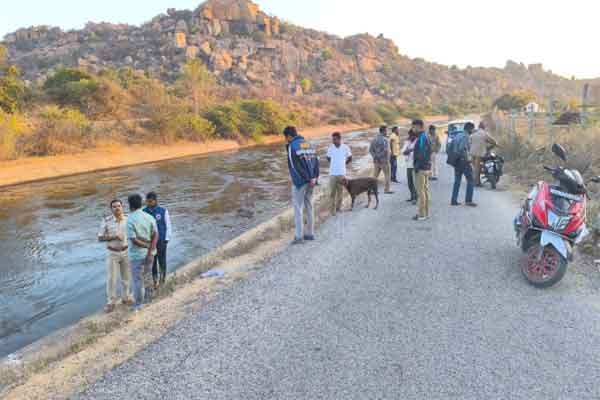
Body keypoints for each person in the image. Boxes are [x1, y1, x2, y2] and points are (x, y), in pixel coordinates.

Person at [284, 126, 320, 244]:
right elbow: (316, 161)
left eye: (286, 138)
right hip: (312, 181)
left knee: (298, 208)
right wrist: (314, 177)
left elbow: (294, 166)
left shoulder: (291, 146)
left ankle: (298, 237)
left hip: (300, 182)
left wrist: (306, 178)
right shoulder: (308, 143)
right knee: (309, 206)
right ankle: (310, 234)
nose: (286, 140)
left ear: (289, 136)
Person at [97, 199, 134, 313]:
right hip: (112, 252)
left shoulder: (128, 219)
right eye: (114, 206)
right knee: (112, 278)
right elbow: (100, 238)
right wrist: (113, 237)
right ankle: (111, 302)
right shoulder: (106, 221)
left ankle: (126, 297)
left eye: (119, 206)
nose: (117, 208)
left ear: (122, 207)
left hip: (126, 251)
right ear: (111, 209)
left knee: (127, 277)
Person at [127, 194, 158, 311]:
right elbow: (156, 235)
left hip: (136, 255)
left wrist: (147, 246)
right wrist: (151, 250)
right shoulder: (149, 217)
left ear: (130, 205)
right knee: (148, 276)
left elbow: (134, 240)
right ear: (142, 204)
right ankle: (150, 299)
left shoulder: (130, 219)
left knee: (137, 280)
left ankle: (138, 304)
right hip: (150, 254)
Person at [144, 192, 172, 287]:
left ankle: (162, 280)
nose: (148, 203)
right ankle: (155, 281)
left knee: (162, 261)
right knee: (152, 262)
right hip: (150, 242)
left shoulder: (163, 211)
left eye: (150, 201)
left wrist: (166, 239)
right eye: (147, 201)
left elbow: (168, 225)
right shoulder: (144, 212)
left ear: (155, 200)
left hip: (161, 241)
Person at [451, 122, 477, 207]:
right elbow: (462, 149)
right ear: (469, 128)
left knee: (457, 181)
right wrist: (468, 160)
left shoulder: (458, 135)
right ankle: (468, 200)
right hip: (463, 161)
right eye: (472, 129)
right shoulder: (466, 136)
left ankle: (454, 200)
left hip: (456, 160)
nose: (473, 131)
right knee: (471, 180)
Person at [326, 132, 352, 216]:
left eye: (335, 139)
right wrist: (334, 164)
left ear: (339, 139)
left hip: (342, 173)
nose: (333, 141)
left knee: (340, 192)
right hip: (332, 174)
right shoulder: (330, 148)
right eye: (332, 139)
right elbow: (328, 158)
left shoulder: (345, 147)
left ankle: (338, 208)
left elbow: (350, 158)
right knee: (332, 193)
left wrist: (343, 164)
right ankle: (332, 211)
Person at [412, 120, 432, 221]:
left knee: (421, 192)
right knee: (425, 191)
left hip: (421, 168)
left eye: (413, 127)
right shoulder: (426, 136)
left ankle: (421, 214)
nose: (412, 129)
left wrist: (417, 167)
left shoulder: (421, 138)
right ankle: (426, 213)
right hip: (426, 167)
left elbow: (422, 154)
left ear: (418, 126)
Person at [470, 122, 498, 186]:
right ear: (484, 127)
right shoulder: (484, 133)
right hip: (479, 153)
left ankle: (477, 181)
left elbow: (470, 142)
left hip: (472, 153)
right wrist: (495, 144)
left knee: (475, 168)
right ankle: (476, 183)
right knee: (477, 168)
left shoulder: (473, 134)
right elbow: (492, 141)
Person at [369, 126, 393, 194]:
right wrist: (379, 156)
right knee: (387, 176)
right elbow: (386, 150)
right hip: (384, 161)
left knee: (375, 176)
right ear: (384, 131)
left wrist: (375, 157)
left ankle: (372, 190)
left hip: (376, 161)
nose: (387, 132)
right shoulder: (385, 140)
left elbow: (370, 150)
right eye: (386, 131)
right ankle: (386, 190)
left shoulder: (374, 139)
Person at [401, 129, 418, 203]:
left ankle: (415, 198)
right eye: (410, 135)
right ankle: (412, 196)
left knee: (415, 182)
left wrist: (408, 150)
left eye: (412, 135)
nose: (410, 136)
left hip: (415, 164)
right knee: (410, 182)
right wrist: (410, 150)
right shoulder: (407, 141)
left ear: (415, 135)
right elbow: (403, 152)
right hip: (408, 164)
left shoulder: (418, 141)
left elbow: (416, 152)